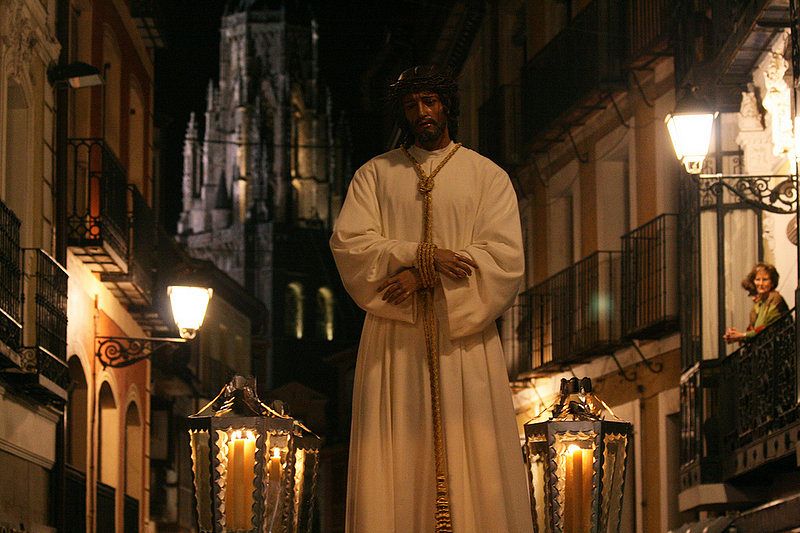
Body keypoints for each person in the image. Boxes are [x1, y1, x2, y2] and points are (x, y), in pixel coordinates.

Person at [330, 65, 533, 533]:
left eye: (430, 102)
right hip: (394, 335)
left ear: (447, 106)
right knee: (394, 443)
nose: (421, 112)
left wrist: (420, 274)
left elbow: (502, 256)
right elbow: (350, 244)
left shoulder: (488, 177)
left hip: (461, 338)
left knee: (473, 450)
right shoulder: (375, 175)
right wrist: (419, 254)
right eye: (411, 104)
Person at [723, 262, 789, 344]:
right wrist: (734, 336)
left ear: (772, 283)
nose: (761, 284)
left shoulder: (775, 298)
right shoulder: (758, 304)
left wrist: (742, 335)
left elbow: (765, 328)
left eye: (765, 280)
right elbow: (753, 331)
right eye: (758, 279)